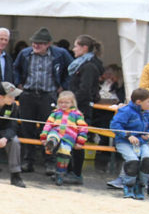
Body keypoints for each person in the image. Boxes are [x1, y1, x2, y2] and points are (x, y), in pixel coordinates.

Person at [13, 27, 72, 173]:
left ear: (49, 44)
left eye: (39, 43)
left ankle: (49, 162)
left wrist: (63, 86)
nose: (35, 45)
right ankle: (28, 161)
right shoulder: (25, 53)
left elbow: (71, 70)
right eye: (34, 43)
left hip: (48, 95)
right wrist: (18, 83)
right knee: (27, 128)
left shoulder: (60, 54)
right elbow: (15, 68)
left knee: (51, 128)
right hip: (28, 94)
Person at [64, 34, 104, 184]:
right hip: (74, 107)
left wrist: (71, 102)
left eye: (76, 46)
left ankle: (76, 173)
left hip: (80, 109)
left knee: (77, 142)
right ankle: (67, 170)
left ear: (84, 48)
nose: (73, 49)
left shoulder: (89, 66)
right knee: (68, 138)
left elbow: (85, 90)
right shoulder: (82, 64)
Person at [109, 88, 149, 200]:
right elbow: (115, 126)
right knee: (133, 161)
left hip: (142, 143)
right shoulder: (125, 111)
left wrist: (148, 134)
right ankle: (128, 186)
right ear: (139, 102)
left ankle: (141, 186)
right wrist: (128, 135)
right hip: (124, 142)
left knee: (148, 159)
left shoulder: (147, 113)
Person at [40, 90, 89, 187]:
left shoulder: (77, 114)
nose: (64, 105)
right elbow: (48, 125)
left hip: (69, 136)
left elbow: (83, 128)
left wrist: (81, 140)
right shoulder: (55, 113)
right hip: (56, 132)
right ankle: (51, 144)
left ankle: (60, 174)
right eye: (61, 102)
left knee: (64, 154)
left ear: (72, 103)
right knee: (53, 135)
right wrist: (44, 135)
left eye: (66, 103)